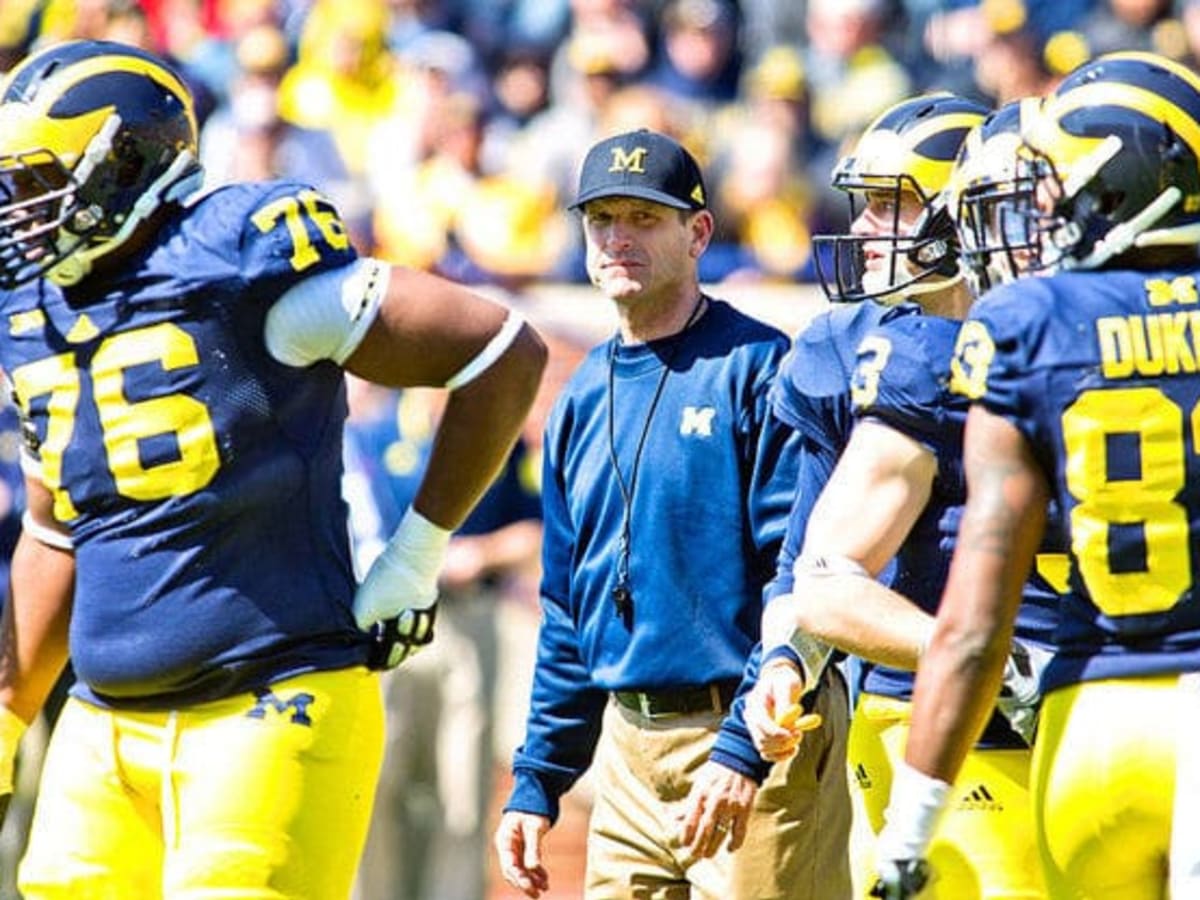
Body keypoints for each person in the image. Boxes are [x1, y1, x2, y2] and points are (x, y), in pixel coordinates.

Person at [0, 38, 546, 899]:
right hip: (100, 729)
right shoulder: (36, 311)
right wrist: (6, 716)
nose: (16, 208)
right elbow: (51, 529)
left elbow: (502, 352)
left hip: (265, 705)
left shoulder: (235, 258)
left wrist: (414, 559)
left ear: (123, 162)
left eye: (36, 181)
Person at [872, 51, 1200, 899]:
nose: (1045, 212)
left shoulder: (1027, 323)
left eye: (1061, 184)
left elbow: (973, 622)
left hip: (1092, 731)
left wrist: (909, 827)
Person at [493, 128, 852, 899]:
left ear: (698, 234)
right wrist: (539, 778)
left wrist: (744, 750)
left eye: (644, 218)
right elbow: (568, 608)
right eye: (602, 219)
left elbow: (801, 581)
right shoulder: (580, 394)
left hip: (756, 729)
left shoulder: (761, 366)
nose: (618, 238)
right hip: (628, 747)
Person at [744, 94, 1066, 899]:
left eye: (890, 204)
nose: (862, 229)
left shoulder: (1055, 327)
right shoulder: (857, 348)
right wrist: (785, 661)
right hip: (930, 710)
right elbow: (811, 564)